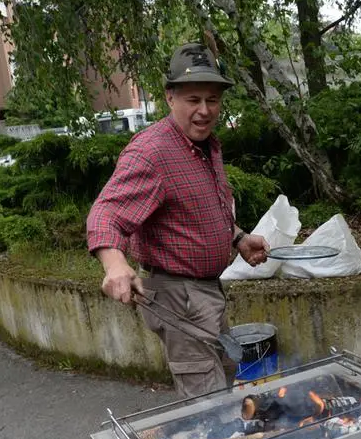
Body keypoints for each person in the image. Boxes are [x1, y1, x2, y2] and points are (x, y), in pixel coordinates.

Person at [86, 42, 270, 398]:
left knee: (228, 378)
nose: (204, 111)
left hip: (206, 294)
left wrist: (238, 239)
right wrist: (114, 263)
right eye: (193, 100)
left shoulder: (207, 145)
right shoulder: (151, 152)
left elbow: (201, 212)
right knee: (209, 401)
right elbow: (105, 212)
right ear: (170, 98)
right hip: (177, 297)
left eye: (212, 100)